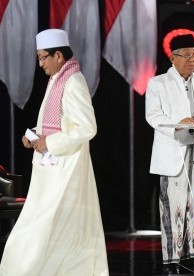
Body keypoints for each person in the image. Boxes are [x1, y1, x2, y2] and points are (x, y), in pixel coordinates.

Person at [0, 29, 108, 275]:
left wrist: (50, 143)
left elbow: (88, 127)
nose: (40, 64)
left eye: (42, 58)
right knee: (46, 225)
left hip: (67, 169)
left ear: (58, 55)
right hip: (51, 167)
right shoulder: (57, 79)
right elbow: (55, 120)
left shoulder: (73, 81)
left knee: (49, 226)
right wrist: (35, 136)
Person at [145, 34, 194, 273]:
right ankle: (172, 261)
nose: (192, 60)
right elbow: (153, 116)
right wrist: (179, 123)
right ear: (173, 57)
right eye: (186, 55)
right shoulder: (158, 83)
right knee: (173, 209)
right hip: (173, 152)